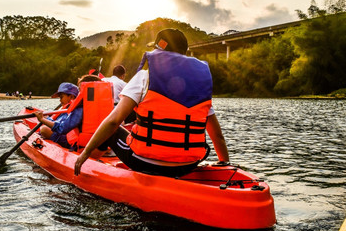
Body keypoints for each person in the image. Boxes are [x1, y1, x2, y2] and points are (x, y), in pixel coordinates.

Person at [74, 28, 230, 178]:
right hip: (187, 166)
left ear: (159, 51)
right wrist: (224, 162)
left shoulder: (144, 76)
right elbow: (217, 135)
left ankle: (89, 164)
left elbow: (113, 121)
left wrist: (84, 153)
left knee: (112, 130)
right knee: (205, 146)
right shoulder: (199, 86)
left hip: (145, 163)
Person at [34, 82, 81, 149]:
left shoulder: (74, 110)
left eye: (61, 97)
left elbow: (62, 127)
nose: (60, 100)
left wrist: (46, 119)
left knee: (44, 129)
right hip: (66, 135)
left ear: (71, 97)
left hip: (69, 140)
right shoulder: (67, 108)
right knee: (44, 128)